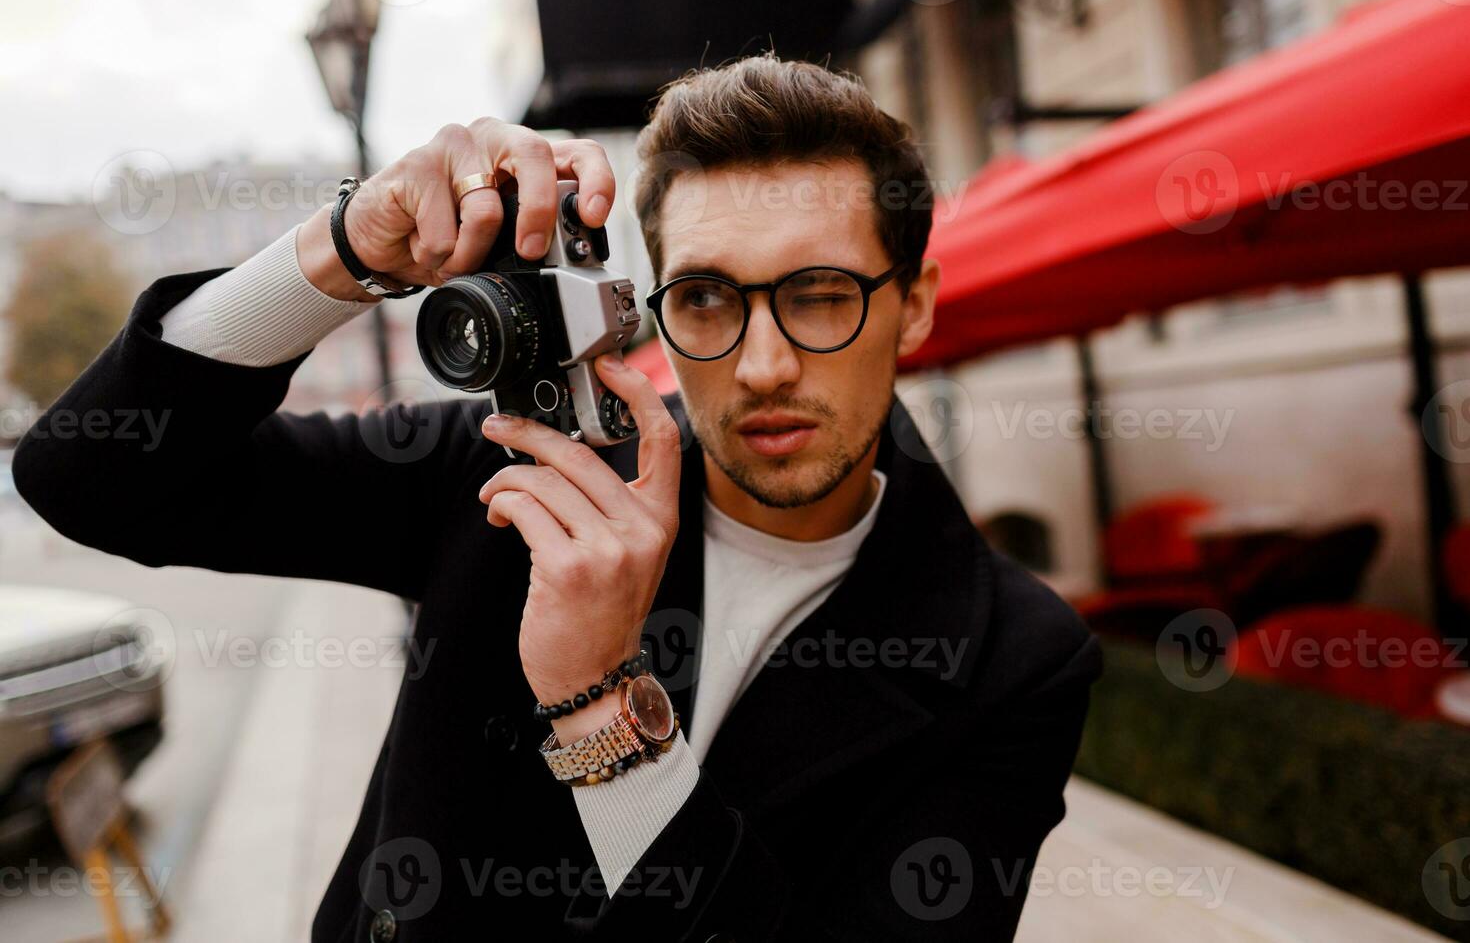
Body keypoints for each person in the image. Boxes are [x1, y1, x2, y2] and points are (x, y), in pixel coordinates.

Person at [15, 54, 1100, 941]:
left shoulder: (1013, 655)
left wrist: (600, 708)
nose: (764, 363)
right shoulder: (519, 464)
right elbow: (92, 479)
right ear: (648, 307)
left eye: (820, 295)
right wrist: (344, 251)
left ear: (913, 308)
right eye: (709, 298)